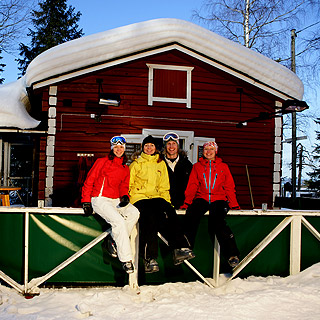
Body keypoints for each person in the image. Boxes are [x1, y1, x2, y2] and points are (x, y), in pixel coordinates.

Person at [129, 135, 195, 273]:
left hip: (156, 196)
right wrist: (132, 198)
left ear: (155, 148)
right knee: (150, 218)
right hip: (140, 197)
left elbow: (165, 186)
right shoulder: (136, 163)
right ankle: (149, 258)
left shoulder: (160, 163)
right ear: (143, 147)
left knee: (169, 212)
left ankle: (180, 248)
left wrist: (167, 203)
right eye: (146, 146)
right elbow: (129, 184)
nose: (149, 148)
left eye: (151, 146)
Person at [81, 136, 140, 274]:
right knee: (118, 221)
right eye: (116, 147)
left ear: (124, 149)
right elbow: (89, 180)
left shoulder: (125, 168)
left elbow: (124, 186)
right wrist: (86, 200)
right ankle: (126, 260)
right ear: (112, 148)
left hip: (116, 200)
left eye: (121, 147)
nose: (118, 150)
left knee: (134, 213)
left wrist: (125, 196)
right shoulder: (102, 162)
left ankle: (113, 241)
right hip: (100, 198)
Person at [181, 141, 240, 268]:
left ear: (216, 151)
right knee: (191, 215)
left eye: (211, 149)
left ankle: (232, 255)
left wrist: (234, 204)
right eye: (206, 149)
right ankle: (186, 248)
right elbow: (192, 185)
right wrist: (187, 202)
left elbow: (229, 186)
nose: (208, 152)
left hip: (218, 199)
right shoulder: (197, 166)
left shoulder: (223, 166)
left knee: (217, 222)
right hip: (201, 198)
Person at [162, 132, 193, 210]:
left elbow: (192, 185)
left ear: (178, 146)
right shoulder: (159, 163)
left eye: (174, 143)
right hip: (164, 204)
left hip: (183, 205)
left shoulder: (187, 164)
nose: (171, 146)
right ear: (165, 146)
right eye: (168, 144)